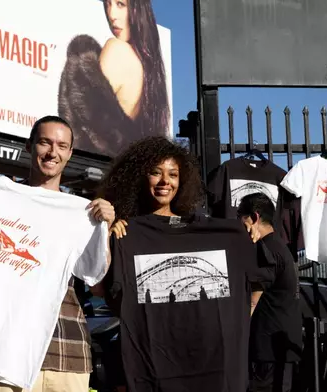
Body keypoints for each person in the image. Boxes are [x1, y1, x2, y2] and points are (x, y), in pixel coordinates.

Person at [0, 115, 115, 392]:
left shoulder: (80, 212)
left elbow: (98, 284)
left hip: (66, 350)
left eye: (62, 146)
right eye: (45, 143)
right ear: (29, 147)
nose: (53, 152)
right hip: (3, 352)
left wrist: (105, 230)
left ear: (69, 153)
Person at [97, 136, 261, 392]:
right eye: (155, 173)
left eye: (173, 174)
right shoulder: (127, 234)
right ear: (139, 177)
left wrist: (243, 236)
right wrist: (108, 236)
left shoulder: (221, 235)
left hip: (214, 372)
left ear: (182, 180)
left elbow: (258, 283)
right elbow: (109, 296)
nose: (165, 182)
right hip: (155, 373)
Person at [58, 0, 170, 156]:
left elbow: (87, 121)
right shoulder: (151, 70)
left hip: (101, 170)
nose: (111, 15)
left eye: (121, 4)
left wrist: (79, 62)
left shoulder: (117, 49)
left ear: (139, 9)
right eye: (108, 4)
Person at [236, 193, 302, 392]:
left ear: (254, 218)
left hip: (266, 350)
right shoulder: (280, 247)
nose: (240, 227)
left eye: (242, 219)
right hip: (280, 346)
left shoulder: (266, 250)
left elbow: (252, 302)